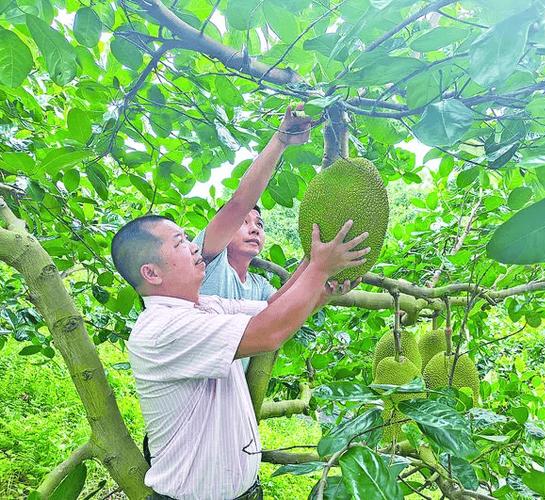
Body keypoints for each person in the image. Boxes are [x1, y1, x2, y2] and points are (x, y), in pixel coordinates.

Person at [111, 215, 368, 499]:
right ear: (152, 273)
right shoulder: (162, 329)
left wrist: (316, 272)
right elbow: (268, 333)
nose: (194, 247)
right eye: (180, 243)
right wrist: (319, 269)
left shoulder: (206, 307)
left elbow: (272, 308)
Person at [193, 104, 311, 371]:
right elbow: (238, 204)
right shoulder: (207, 261)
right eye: (243, 223)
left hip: (233, 393)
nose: (255, 228)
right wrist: (281, 139)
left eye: (259, 223)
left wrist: (315, 259)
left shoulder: (258, 286)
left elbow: (280, 306)